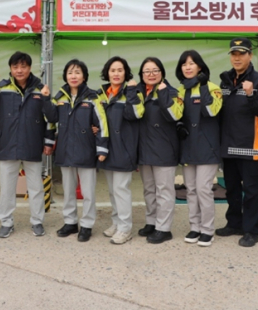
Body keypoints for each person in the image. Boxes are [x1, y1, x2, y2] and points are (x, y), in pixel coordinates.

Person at [0, 51, 54, 238]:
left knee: (36, 187)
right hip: (8, 144)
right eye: (15, 67)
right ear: (10, 68)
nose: (19, 70)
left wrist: (48, 141)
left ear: (30, 68)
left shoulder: (40, 89)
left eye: (23, 66)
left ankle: (37, 221)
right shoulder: (1, 87)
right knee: (7, 188)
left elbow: (50, 118)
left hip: (33, 143)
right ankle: (6, 222)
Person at [216, 38, 258, 247]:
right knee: (231, 188)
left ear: (250, 55)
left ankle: (251, 230)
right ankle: (234, 223)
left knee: (251, 190)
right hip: (228, 144)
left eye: (241, 54)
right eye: (234, 54)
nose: (237, 58)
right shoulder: (225, 80)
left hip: (251, 145)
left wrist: (251, 95)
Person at [45, 59, 109, 242]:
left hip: (86, 150)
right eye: (70, 72)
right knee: (68, 190)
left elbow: (102, 123)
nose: (74, 76)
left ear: (84, 76)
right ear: (65, 76)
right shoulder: (60, 97)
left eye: (78, 72)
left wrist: (102, 148)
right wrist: (49, 142)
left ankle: (87, 225)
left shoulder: (93, 97)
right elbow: (51, 120)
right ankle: (70, 222)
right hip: (65, 150)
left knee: (88, 192)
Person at [176, 50, 222, 247]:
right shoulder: (180, 90)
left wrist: (202, 86)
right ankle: (195, 227)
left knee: (204, 189)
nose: (187, 67)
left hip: (207, 147)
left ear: (200, 66)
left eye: (191, 63)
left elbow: (211, 111)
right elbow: (176, 114)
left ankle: (207, 230)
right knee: (191, 190)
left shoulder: (212, 88)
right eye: (184, 64)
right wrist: (179, 125)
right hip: (188, 146)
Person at [97, 56, 144, 245]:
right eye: (112, 70)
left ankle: (125, 228)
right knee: (112, 190)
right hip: (108, 148)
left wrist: (131, 91)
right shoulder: (102, 94)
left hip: (124, 148)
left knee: (121, 189)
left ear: (126, 73)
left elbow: (136, 114)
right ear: (107, 73)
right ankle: (116, 223)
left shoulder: (134, 92)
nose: (116, 73)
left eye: (120, 70)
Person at [136, 57, 183, 244]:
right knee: (149, 189)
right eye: (146, 71)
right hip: (144, 149)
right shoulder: (138, 92)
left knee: (164, 190)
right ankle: (151, 222)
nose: (151, 74)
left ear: (162, 72)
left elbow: (174, 115)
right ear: (141, 74)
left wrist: (163, 94)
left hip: (164, 148)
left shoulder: (172, 92)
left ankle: (164, 228)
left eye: (155, 70)